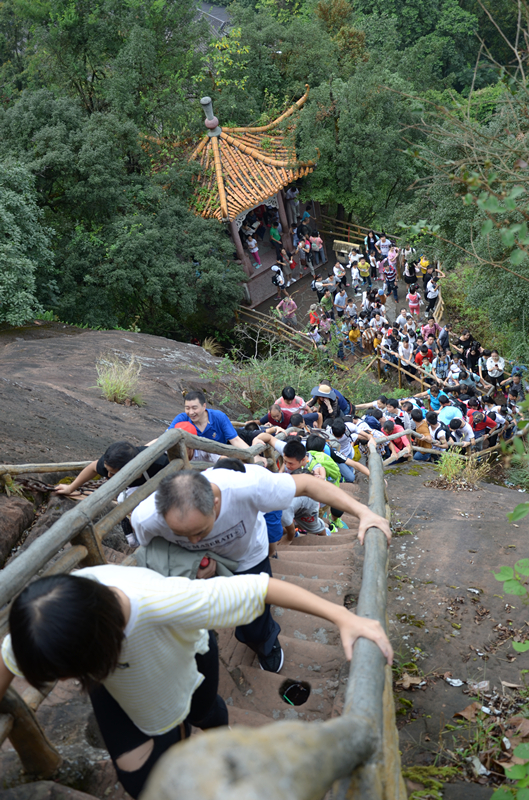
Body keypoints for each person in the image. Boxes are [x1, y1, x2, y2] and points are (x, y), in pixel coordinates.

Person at [0, 565, 392, 800]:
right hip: (123, 680)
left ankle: (212, 729)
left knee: (202, 711)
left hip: (186, 659)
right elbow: (8, 658)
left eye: (68, 674)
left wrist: (344, 617)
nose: (66, 682)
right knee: (140, 783)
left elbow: (260, 587)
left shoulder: (167, 602)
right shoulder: (46, 626)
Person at [130, 468, 391, 666]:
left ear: (216, 504)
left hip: (248, 557)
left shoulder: (248, 486)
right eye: (182, 534)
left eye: (200, 531)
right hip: (198, 568)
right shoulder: (146, 518)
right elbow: (153, 550)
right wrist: (192, 560)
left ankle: (266, 645)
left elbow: (309, 485)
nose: (194, 540)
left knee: (253, 619)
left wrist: (362, 512)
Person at [168, 391, 249, 450]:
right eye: (187, 408)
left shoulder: (218, 417)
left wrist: (254, 456)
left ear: (204, 406)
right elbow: (167, 437)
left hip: (220, 457)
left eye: (194, 408)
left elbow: (235, 440)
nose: (191, 412)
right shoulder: (181, 419)